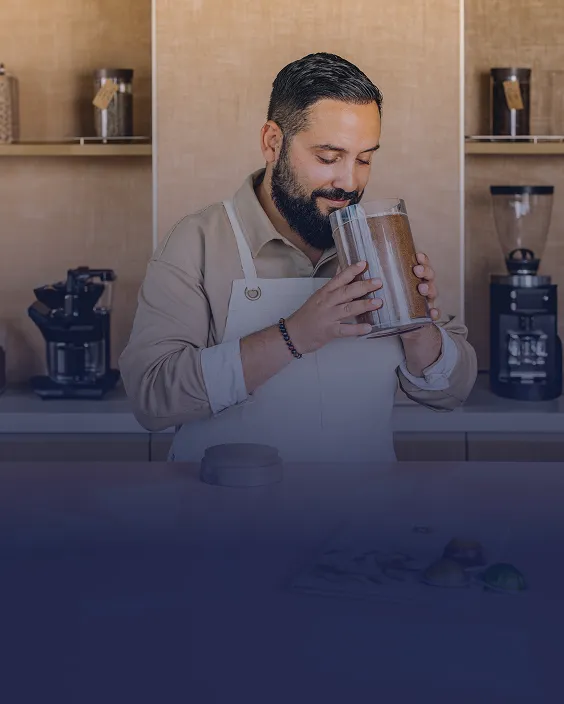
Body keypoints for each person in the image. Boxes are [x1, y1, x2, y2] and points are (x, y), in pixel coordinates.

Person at [119, 52, 477, 463]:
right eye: (328, 158)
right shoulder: (196, 242)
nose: (349, 181)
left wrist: (417, 328)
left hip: (364, 518)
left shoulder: (380, 240)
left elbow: (453, 391)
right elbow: (151, 398)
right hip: (228, 516)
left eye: (364, 159)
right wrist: (294, 337)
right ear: (273, 142)